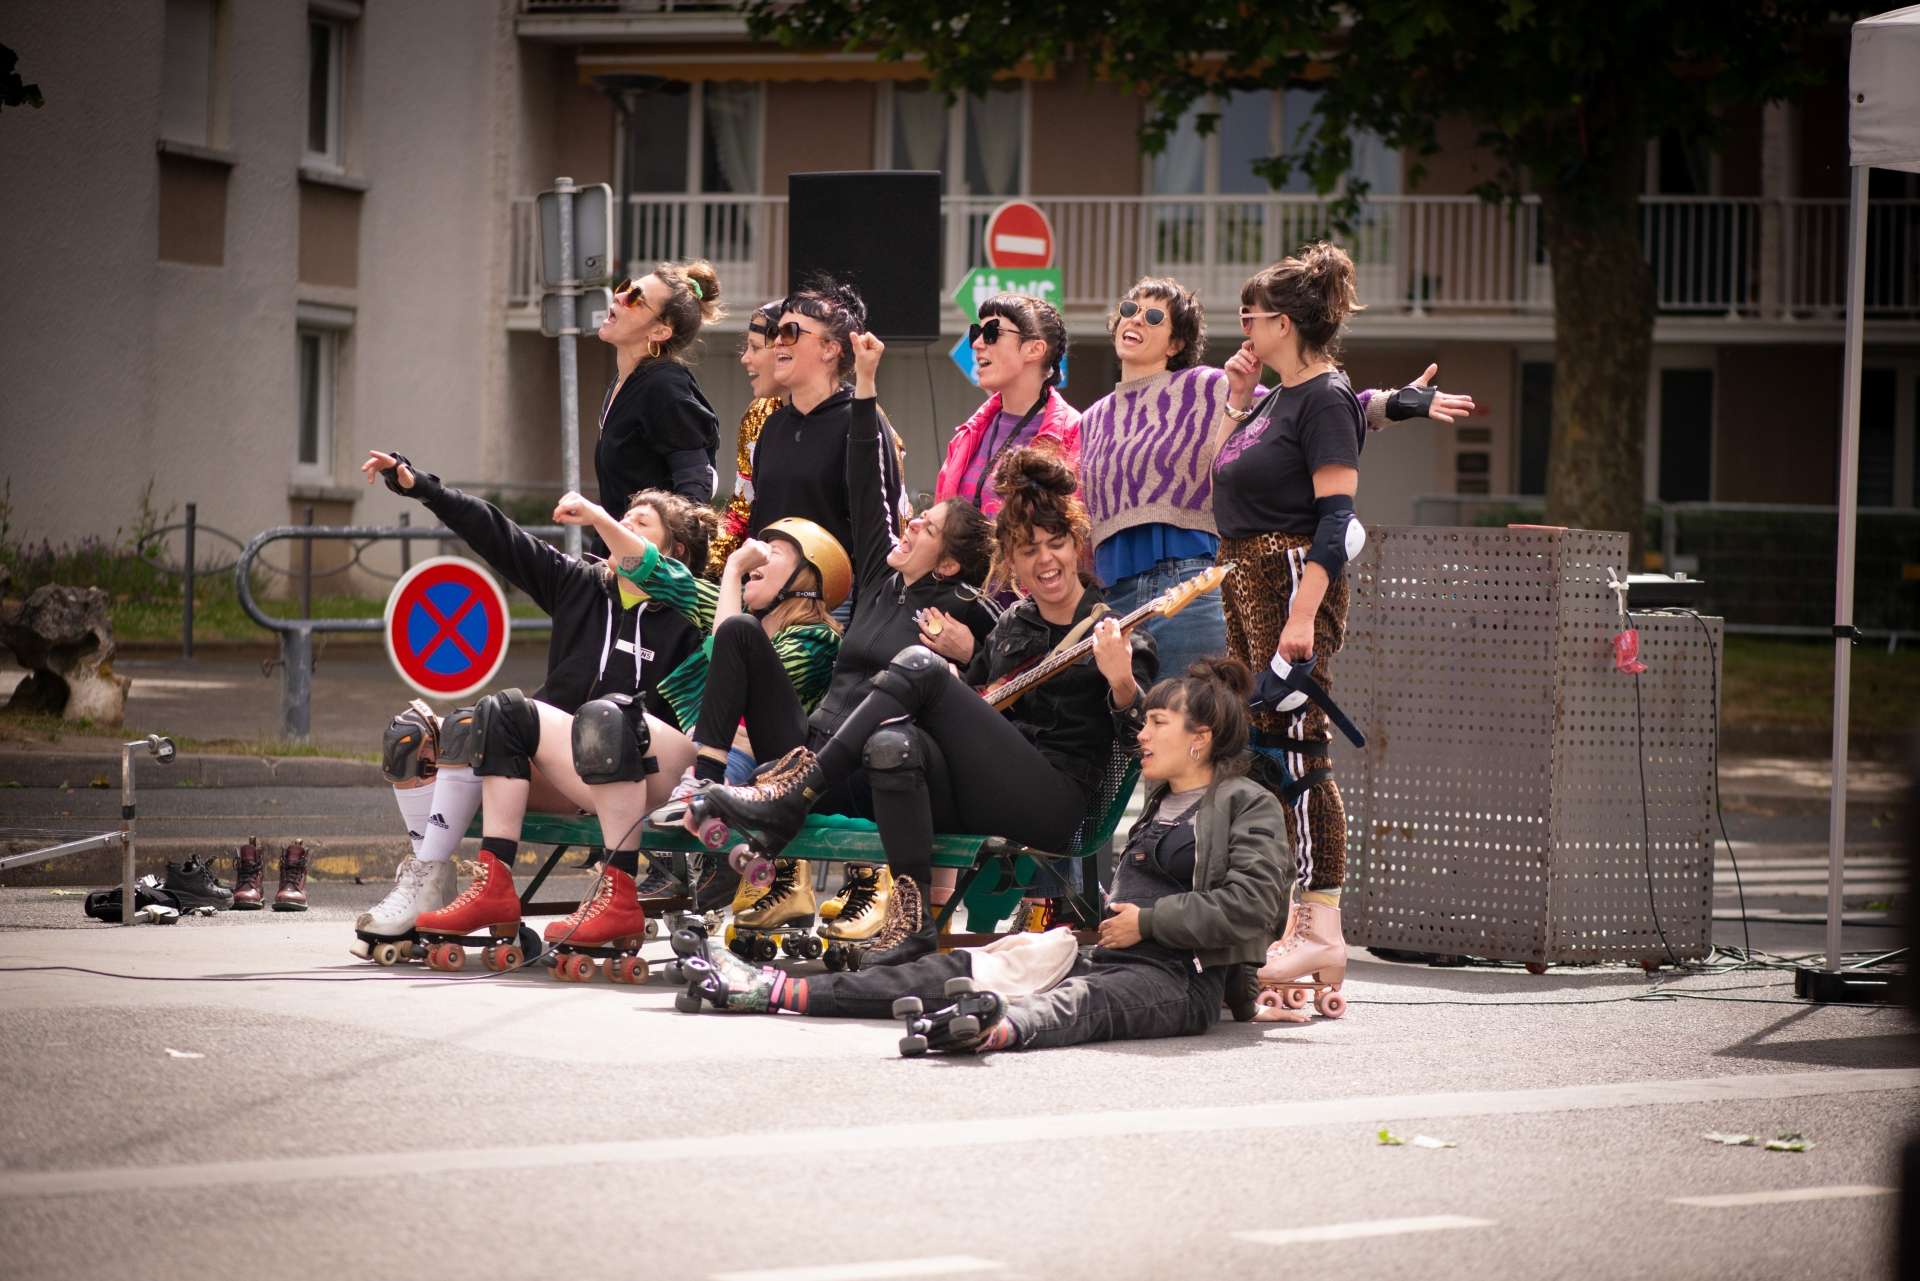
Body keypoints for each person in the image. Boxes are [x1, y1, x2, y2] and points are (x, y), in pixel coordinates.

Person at [681, 402, 1158, 971]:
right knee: (892, 746)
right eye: (1027, 551)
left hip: (1054, 802)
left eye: (1054, 544)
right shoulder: (1014, 625)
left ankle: (793, 797)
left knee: (919, 664)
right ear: (1014, 563)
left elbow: (1144, 751)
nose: (1044, 560)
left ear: (1075, 547)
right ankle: (912, 926)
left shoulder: (1116, 631)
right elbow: (980, 710)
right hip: (983, 790)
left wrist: (1123, 683)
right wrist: (953, 689)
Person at [675, 657, 1291, 1058]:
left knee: (1081, 1006)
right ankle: (770, 989)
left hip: (1178, 977)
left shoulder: (1246, 803)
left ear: (1200, 738)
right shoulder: (1160, 802)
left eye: (1158, 722)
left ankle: (991, 1026)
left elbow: (1256, 910)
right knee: (953, 966)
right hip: (1105, 950)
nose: (1143, 734)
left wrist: (1149, 924)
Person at [654, 327, 998, 936]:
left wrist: (970, 652)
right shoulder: (881, 577)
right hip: (804, 748)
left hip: (866, 769)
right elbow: (870, 487)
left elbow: (992, 673)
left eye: (928, 526)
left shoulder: (965, 610)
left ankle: (772, 853)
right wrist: (865, 383)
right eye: (916, 516)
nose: (911, 523)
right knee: (739, 634)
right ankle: (704, 786)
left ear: (947, 564)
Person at [354, 451, 710, 959]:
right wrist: (422, 488)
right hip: (561, 772)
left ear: (674, 551)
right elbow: (498, 534)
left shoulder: (692, 608)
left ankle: (500, 886)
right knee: (424, 733)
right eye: (622, 517)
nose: (619, 528)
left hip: (642, 775)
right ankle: (428, 882)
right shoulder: (579, 585)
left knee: (534, 712)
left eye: (639, 523)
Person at [1076, 276, 1475, 681]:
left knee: (1191, 728)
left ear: (1176, 342)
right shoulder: (1089, 420)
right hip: (1115, 599)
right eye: (1130, 310)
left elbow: (1301, 410)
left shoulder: (1206, 386)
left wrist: (1396, 403)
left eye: (1154, 316)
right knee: (1130, 733)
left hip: (1189, 590)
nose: (1136, 320)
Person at [1213, 242, 1372, 1016]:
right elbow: (1234, 480)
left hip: (1287, 577)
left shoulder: (1325, 397)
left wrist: (1303, 615)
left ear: (1282, 321)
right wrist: (1238, 400)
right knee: (1263, 752)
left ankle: (1322, 923)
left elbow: (1337, 519)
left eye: (1250, 312)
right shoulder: (1276, 396)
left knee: (1301, 746)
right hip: (1244, 575)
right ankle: (1285, 922)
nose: (1241, 322)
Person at [742, 279, 907, 600]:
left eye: (790, 333)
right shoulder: (772, 425)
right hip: (770, 601)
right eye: (776, 334)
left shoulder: (861, 420)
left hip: (836, 608)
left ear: (831, 349)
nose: (778, 344)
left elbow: (881, 528)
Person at [591, 261, 725, 545]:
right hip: (614, 558)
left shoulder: (665, 387)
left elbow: (695, 486)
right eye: (625, 288)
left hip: (647, 571)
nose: (619, 297)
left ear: (660, 332)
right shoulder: (625, 382)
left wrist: (663, 559)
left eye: (635, 298)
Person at [933, 293, 1079, 519]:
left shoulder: (1075, 435)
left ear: (1034, 349)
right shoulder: (968, 434)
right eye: (976, 332)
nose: (976, 343)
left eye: (992, 332)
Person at [707, 301, 786, 576]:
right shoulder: (760, 413)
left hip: (838, 594)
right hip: (765, 579)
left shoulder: (855, 418)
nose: (744, 358)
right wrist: (709, 566)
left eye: (754, 347)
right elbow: (742, 508)